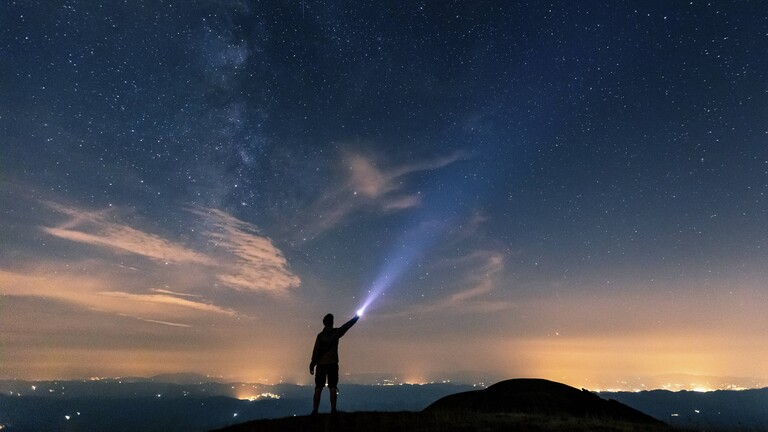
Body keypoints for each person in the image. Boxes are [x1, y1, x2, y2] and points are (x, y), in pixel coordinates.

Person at [309, 312, 360, 415]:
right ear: (332, 322)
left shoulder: (320, 336)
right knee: (332, 386)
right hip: (332, 364)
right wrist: (355, 319)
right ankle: (333, 409)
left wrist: (312, 364)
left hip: (321, 365)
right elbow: (346, 327)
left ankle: (315, 410)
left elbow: (316, 351)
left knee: (318, 387)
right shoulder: (336, 333)